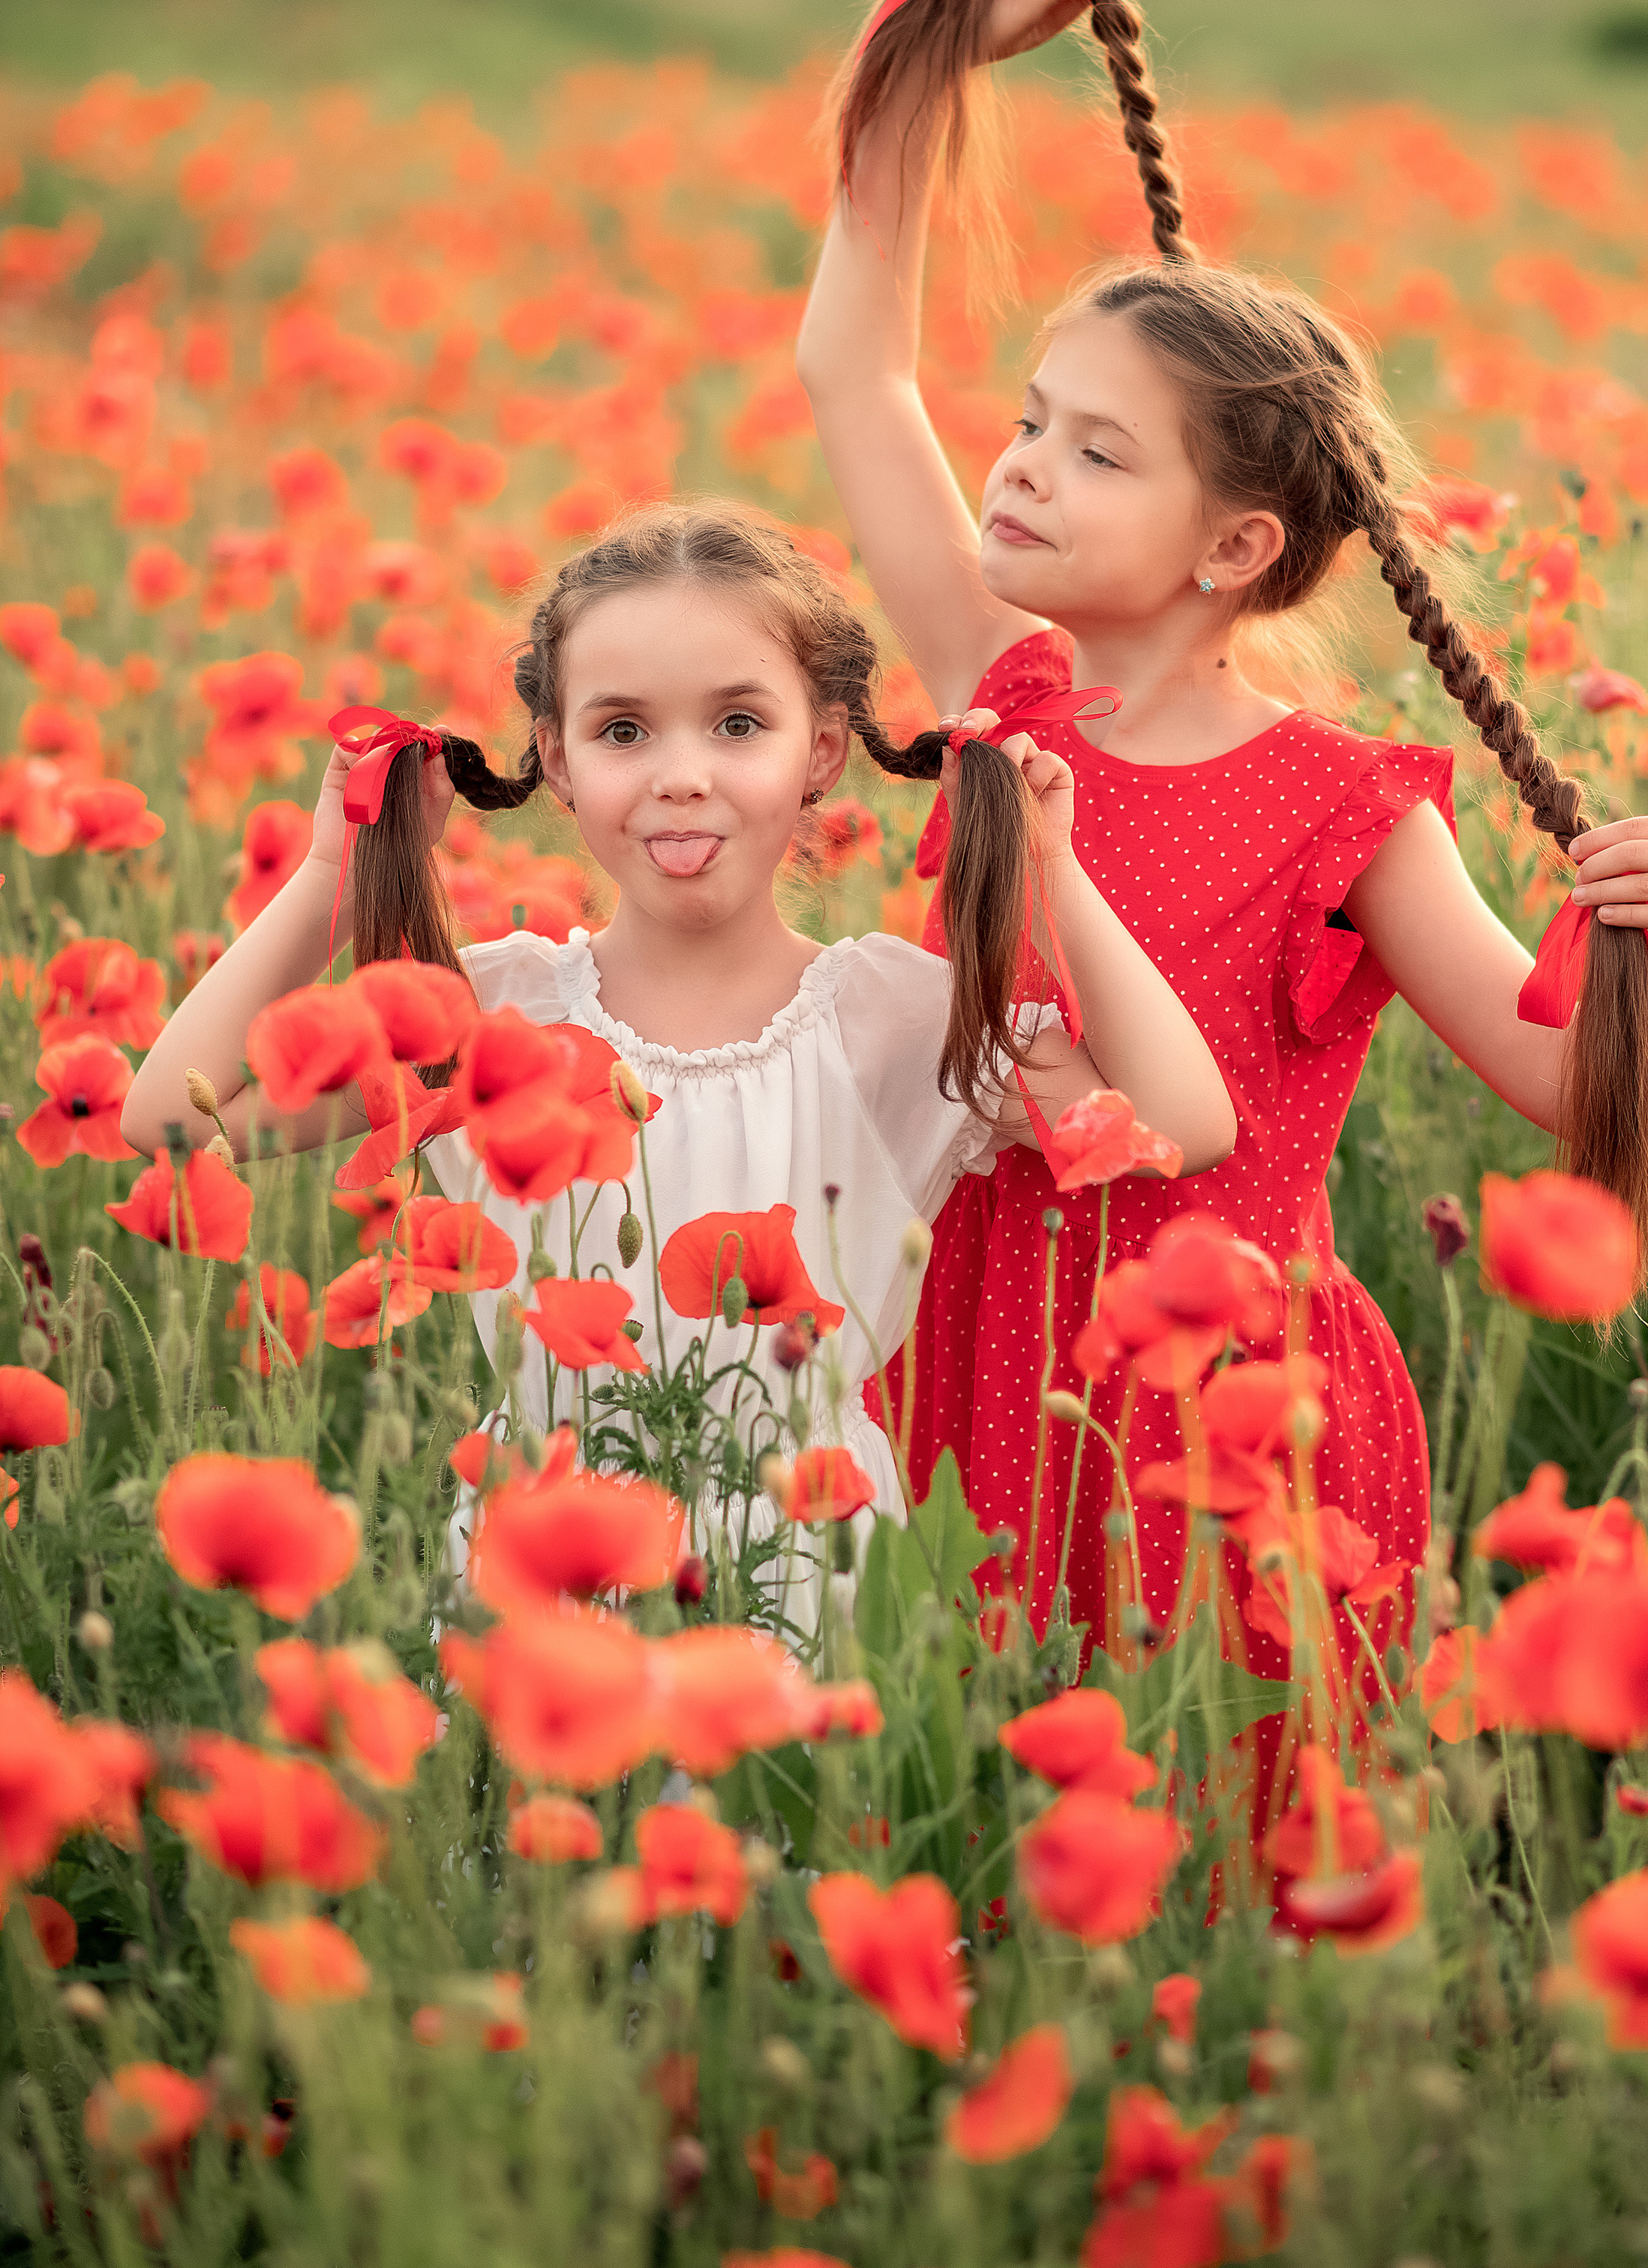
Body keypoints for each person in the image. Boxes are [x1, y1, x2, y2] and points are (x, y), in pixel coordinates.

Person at [795, 0, 1648, 1648]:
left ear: (1234, 548)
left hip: (1239, 1401)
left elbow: (1567, 1082)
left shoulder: (1345, 806)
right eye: (1031, 422)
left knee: (1218, 1800)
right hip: (974, 1340)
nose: (1019, 466)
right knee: (985, 1810)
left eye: (1095, 454)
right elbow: (853, 361)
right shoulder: (998, 686)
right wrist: (930, 46)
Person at [123, 504, 1238, 1529]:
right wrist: (333, 868)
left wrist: (1058, 872)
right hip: (549, 1551)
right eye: (623, 733)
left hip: (806, 1550)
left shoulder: (893, 1020)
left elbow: (1187, 1125)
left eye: (738, 724)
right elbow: (172, 1122)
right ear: (555, 760)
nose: (682, 776)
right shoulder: (487, 1014)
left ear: (824, 752)